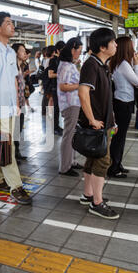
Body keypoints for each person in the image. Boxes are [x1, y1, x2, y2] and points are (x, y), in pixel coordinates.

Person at [0, 12, 32, 205]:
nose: (13, 26)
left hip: (10, 109)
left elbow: (13, 80)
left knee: (0, 146)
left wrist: (18, 104)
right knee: (8, 148)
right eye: (9, 23)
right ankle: (16, 186)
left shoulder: (11, 52)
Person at [78, 27, 117, 219]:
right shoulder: (91, 65)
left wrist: (112, 121)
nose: (116, 45)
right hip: (95, 123)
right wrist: (92, 119)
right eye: (113, 42)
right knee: (103, 160)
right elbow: (83, 92)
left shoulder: (103, 65)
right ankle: (97, 203)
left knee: (93, 158)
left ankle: (88, 194)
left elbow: (105, 97)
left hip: (103, 122)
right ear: (103, 47)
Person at [107, 37, 138, 178]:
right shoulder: (123, 65)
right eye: (131, 45)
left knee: (118, 136)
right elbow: (137, 82)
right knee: (119, 137)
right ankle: (114, 167)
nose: (133, 48)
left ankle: (117, 163)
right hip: (124, 102)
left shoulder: (116, 62)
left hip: (120, 101)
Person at [56, 37, 84, 177]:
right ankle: (65, 166)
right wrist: (80, 86)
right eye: (79, 50)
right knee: (68, 135)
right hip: (69, 104)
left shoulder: (68, 64)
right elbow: (63, 86)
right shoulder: (66, 66)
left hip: (73, 102)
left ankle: (71, 161)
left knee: (72, 134)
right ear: (72, 49)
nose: (80, 53)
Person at [11, 43, 28, 161]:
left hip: (21, 103)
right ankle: (12, 154)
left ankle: (17, 152)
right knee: (14, 129)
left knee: (18, 129)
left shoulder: (20, 67)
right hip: (14, 104)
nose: (25, 53)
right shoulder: (12, 68)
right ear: (16, 53)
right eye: (22, 50)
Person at [47, 40, 65, 135]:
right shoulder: (53, 60)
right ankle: (55, 128)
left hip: (62, 87)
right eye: (62, 49)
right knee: (56, 108)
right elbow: (50, 75)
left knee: (60, 108)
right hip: (55, 87)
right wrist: (61, 74)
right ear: (57, 50)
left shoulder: (62, 60)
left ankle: (58, 126)